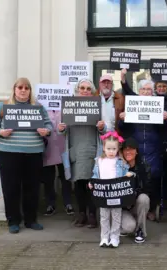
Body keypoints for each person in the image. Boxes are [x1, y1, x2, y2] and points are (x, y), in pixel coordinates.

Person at [0, 77, 52, 234]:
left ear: (30, 90)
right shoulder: (3, 107)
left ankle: (31, 220)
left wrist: (47, 131)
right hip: (9, 153)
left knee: (32, 188)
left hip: (34, 153)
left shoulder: (38, 107)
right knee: (11, 188)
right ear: (14, 89)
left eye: (26, 88)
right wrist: (0, 132)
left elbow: (48, 124)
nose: (23, 90)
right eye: (20, 87)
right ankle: (13, 221)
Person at [119, 73, 167, 220]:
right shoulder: (132, 104)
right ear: (139, 91)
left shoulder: (157, 105)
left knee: (153, 179)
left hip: (154, 148)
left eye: (149, 90)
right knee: (136, 179)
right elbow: (123, 128)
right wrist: (122, 119)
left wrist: (165, 119)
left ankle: (152, 209)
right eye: (143, 90)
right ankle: (134, 208)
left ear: (152, 92)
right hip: (137, 149)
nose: (146, 92)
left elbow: (165, 129)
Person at [58, 79, 106, 228]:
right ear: (77, 90)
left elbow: (103, 131)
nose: (85, 91)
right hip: (76, 150)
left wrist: (101, 127)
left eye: (88, 89)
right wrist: (60, 128)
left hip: (91, 150)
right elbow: (63, 131)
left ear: (92, 92)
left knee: (92, 184)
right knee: (78, 184)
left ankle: (92, 214)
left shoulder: (97, 107)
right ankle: (81, 213)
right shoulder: (69, 107)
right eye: (82, 88)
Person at [89, 131, 133, 248]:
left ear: (118, 148)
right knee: (104, 217)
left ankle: (114, 237)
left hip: (116, 194)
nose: (111, 151)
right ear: (104, 148)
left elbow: (126, 174)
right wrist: (92, 182)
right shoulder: (99, 161)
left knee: (116, 216)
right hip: (103, 195)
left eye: (114, 149)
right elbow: (95, 175)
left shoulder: (121, 162)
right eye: (109, 148)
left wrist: (128, 174)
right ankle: (104, 237)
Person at [42, 109, 74, 216]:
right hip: (47, 147)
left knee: (66, 177)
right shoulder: (42, 107)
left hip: (63, 146)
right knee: (48, 178)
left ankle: (68, 203)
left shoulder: (66, 107)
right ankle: (50, 204)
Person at [120, 138, 152, 243]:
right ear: (122, 152)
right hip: (122, 208)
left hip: (135, 203)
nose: (128, 152)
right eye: (125, 149)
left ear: (136, 151)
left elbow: (147, 189)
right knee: (129, 227)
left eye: (131, 149)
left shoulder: (143, 167)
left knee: (144, 198)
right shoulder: (117, 167)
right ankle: (120, 225)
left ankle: (140, 230)